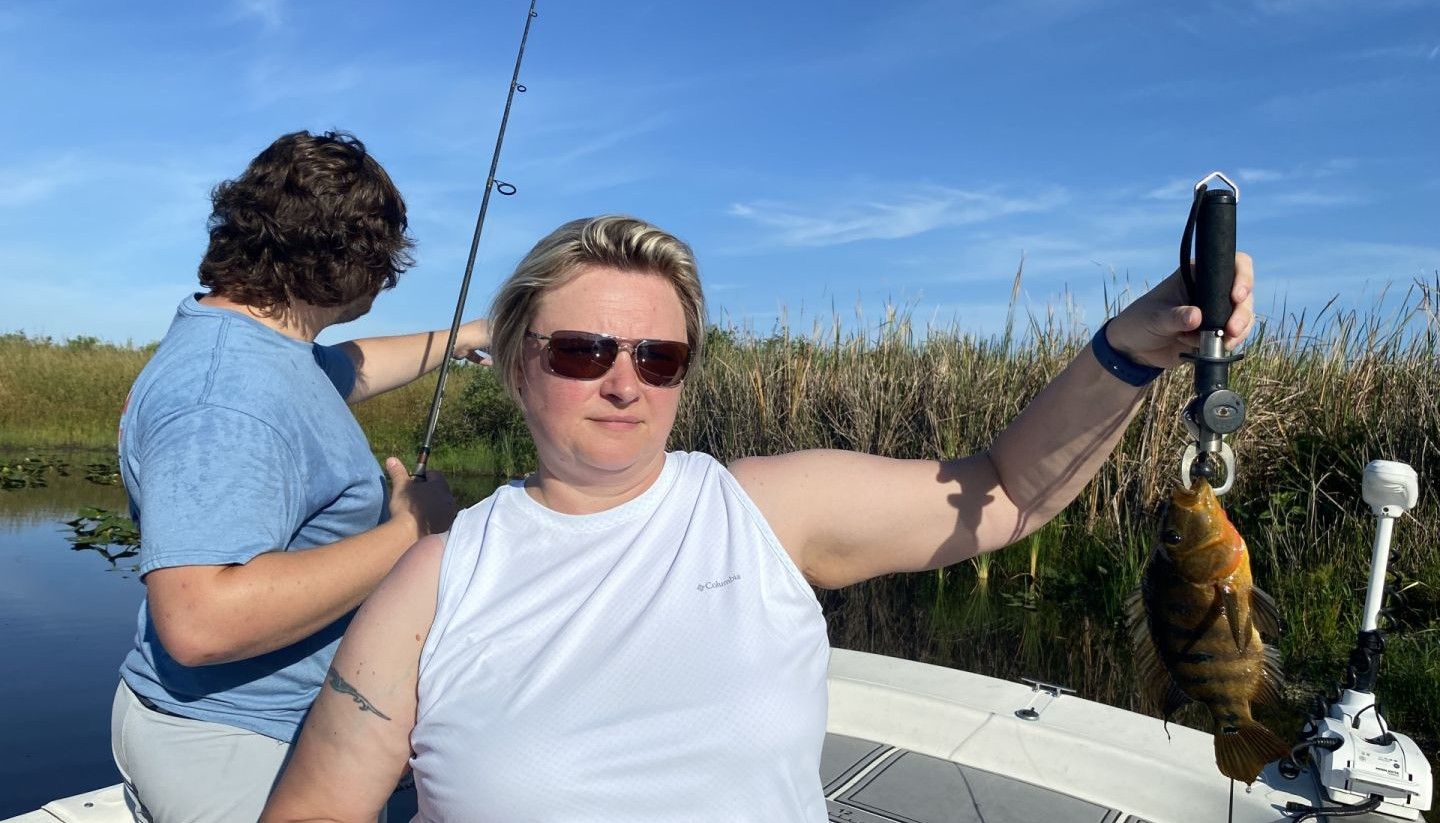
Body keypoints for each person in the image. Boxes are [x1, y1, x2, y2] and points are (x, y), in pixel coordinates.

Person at [261, 214, 1255, 822]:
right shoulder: (435, 578)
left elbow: (1006, 491)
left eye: (659, 357)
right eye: (581, 351)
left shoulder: (759, 510)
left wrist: (1134, 347)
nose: (623, 382)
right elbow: (319, 805)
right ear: (519, 364)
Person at [110, 130, 489, 822]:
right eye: (384, 264)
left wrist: (464, 335)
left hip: (251, 733)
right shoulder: (226, 393)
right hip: (235, 748)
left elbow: (356, 365)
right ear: (349, 263)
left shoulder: (264, 349)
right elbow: (199, 618)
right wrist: (411, 529)